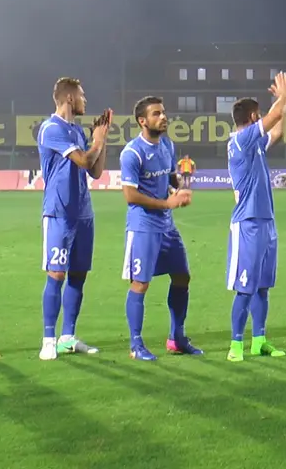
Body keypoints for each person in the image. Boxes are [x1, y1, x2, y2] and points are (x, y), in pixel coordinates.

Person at [119, 96, 200, 361]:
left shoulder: (167, 145)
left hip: (166, 226)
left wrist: (182, 184)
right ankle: (136, 345)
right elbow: (130, 195)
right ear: (142, 121)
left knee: (182, 277)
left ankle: (176, 338)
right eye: (156, 114)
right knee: (140, 283)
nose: (163, 117)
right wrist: (167, 202)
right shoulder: (132, 153)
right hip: (143, 227)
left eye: (163, 112)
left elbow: (170, 177)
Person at [36, 77, 110, 360]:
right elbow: (83, 160)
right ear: (69, 98)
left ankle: (67, 337)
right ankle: (48, 340)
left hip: (83, 213)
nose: (85, 100)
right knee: (56, 275)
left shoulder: (77, 131)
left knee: (78, 275)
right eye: (82, 95)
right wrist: (97, 140)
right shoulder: (51, 128)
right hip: (59, 212)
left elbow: (95, 171)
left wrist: (102, 139)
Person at [225, 72, 286, 362]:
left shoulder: (254, 146)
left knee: (262, 288)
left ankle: (259, 341)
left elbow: (277, 132)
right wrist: (284, 96)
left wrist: (284, 104)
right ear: (253, 117)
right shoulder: (240, 141)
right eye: (260, 114)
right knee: (245, 288)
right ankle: (235, 345)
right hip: (247, 224)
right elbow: (274, 117)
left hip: (266, 222)